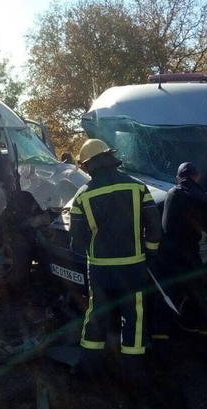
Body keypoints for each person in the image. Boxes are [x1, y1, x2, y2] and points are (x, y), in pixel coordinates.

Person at [69, 138, 161, 385]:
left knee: (96, 317)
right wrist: (150, 254)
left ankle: (88, 369)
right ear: (110, 158)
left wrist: (88, 257)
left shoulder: (82, 196)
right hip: (134, 268)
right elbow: (154, 227)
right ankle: (133, 374)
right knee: (134, 319)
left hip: (100, 270)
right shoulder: (138, 188)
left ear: (89, 165)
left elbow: (76, 241)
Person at [150, 162, 207, 363]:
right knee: (200, 300)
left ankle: (161, 355)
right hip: (188, 259)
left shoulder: (172, 194)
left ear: (178, 178)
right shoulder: (202, 197)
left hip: (165, 258)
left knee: (162, 304)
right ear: (197, 176)